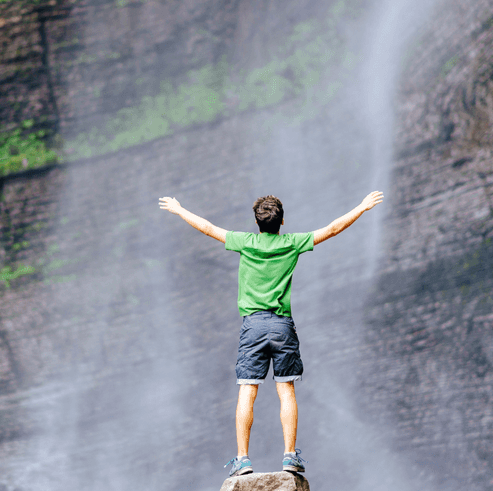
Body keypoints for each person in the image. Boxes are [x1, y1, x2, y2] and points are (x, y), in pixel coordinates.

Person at [158, 191, 384, 476]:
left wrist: (179, 209)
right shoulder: (292, 243)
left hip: (252, 326)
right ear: (282, 222)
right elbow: (333, 228)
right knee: (286, 389)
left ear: (256, 222)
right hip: (282, 326)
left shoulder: (245, 242)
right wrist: (362, 207)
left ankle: (242, 459)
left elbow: (207, 227)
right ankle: (290, 456)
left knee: (247, 391)